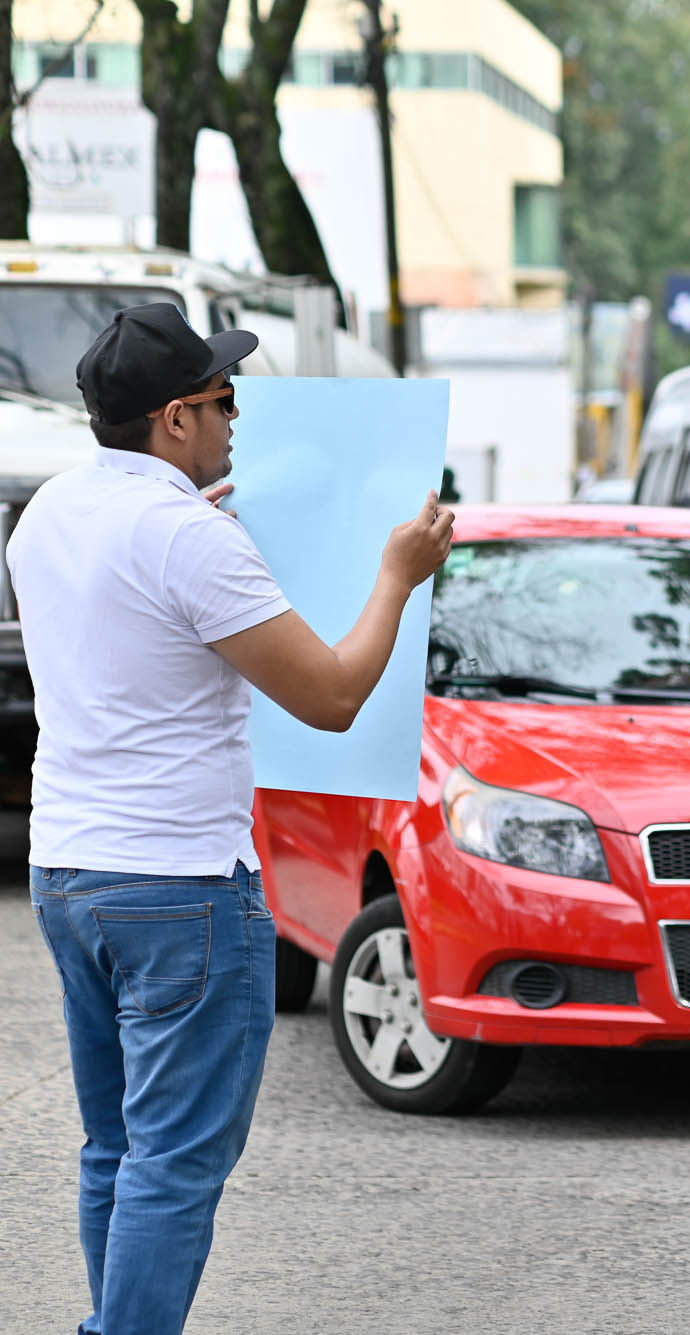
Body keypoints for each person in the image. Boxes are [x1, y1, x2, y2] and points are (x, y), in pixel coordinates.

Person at [15, 302, 455, 1335]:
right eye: (223, 400)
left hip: (68, 869)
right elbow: (334, 697)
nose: (236, 418)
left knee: (115, 1147)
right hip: (179, 886)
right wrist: (396, 576)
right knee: (172, 1160)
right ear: (174, 419)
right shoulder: (188, 538)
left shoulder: (50, 513)